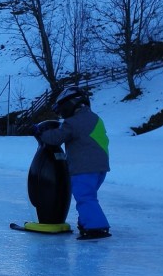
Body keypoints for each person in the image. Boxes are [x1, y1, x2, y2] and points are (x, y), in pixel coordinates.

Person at [34, 86, 111, 240]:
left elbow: (56, 138)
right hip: (100, 168)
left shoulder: (74, 122)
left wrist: (41, 132)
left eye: (61, 110)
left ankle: (96, 227)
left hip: (84, 167)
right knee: (89, 196)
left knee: (85, 197)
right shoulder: (95, 118)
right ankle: (85, 222)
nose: (61, 114)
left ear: (70, 105)